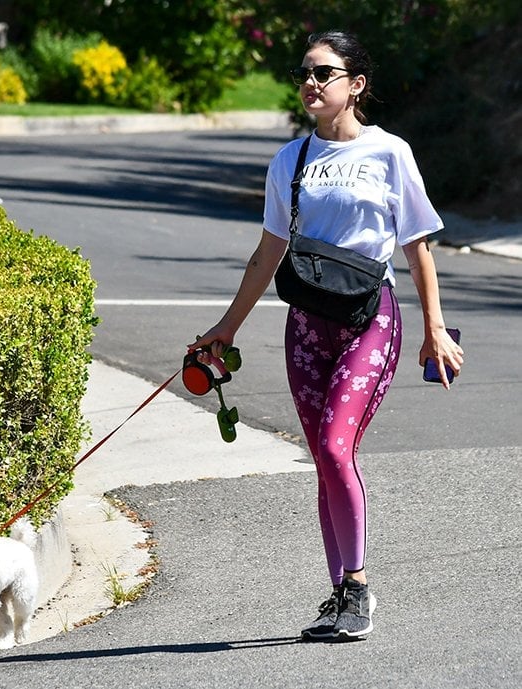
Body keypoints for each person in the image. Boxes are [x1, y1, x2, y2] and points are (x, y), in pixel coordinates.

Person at [189, 30, 464, 640]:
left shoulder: (391, 153)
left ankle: (359, 588)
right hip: (307, 326)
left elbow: (418, 245)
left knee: (339, 449)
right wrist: (225, 328)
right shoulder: (290, 161)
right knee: (323, 461)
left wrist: (434, 330)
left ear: (355, 85)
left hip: (371, 319)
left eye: (325, 73)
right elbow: (268, 251)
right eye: (305, 73)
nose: (311, 83)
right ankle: (340, 592)